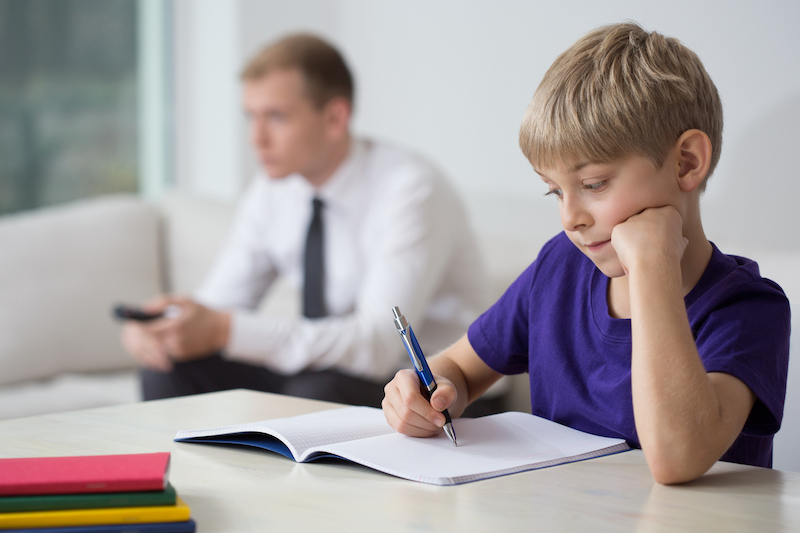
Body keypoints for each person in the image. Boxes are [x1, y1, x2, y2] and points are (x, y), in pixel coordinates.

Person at [381, 22, 791, 484]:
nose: (569, 217)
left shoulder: (748, 309)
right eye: (554, 192)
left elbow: (677, 457)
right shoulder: (559, 268)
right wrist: (425, 393)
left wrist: (653, 265)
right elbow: (459, 368)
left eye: (593, 184)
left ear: (687, 163)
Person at [121, 34, 492, 409]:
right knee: (169, 369)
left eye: (276, 117)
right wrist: (167, 330)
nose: (256, 138)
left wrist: (224, 330)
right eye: (251, 116)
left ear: (335, 118)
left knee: (317, 395)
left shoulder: (411, 189)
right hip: (327, 369)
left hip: (433, 385)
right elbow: (217, 306)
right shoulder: (273, 189)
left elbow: (378, 344)